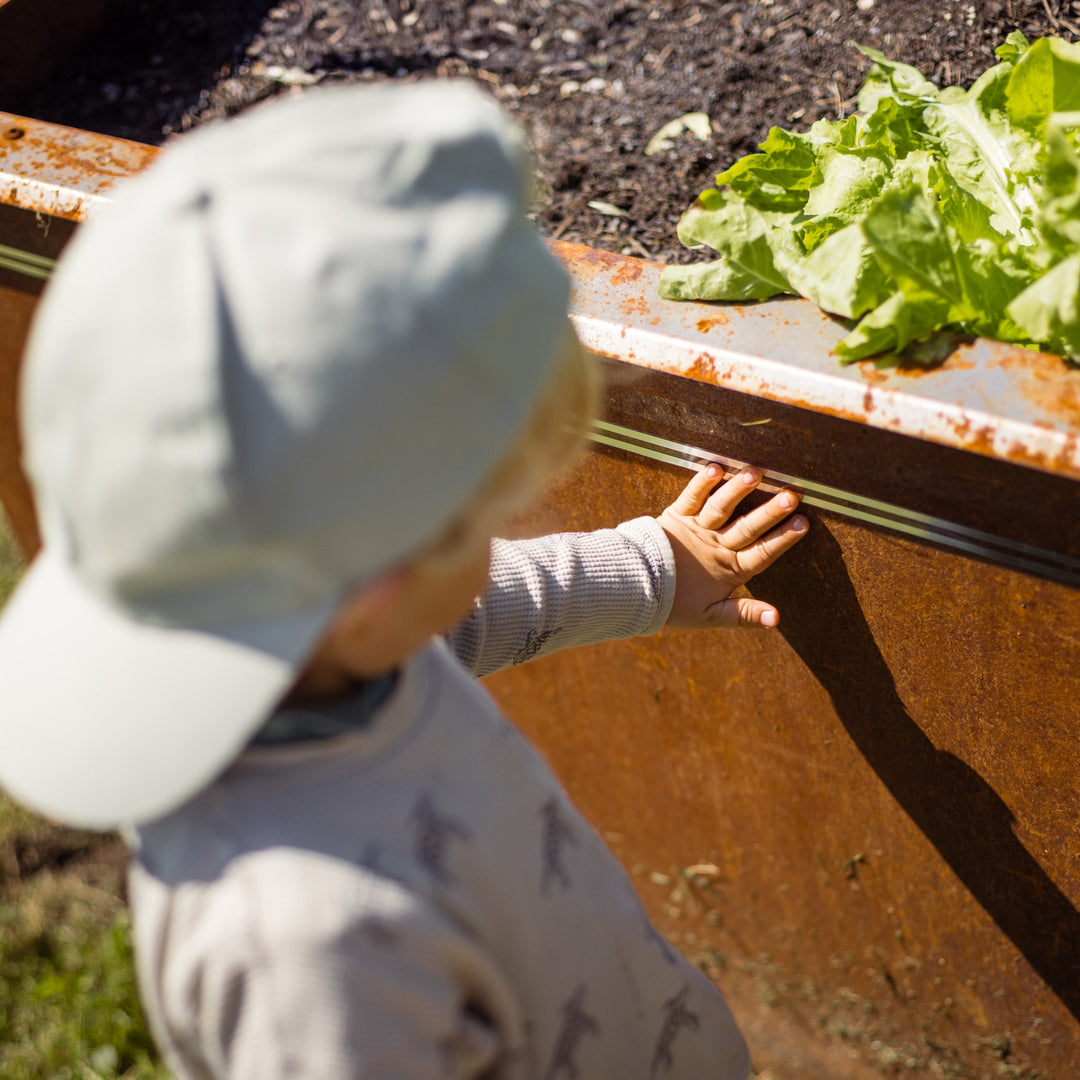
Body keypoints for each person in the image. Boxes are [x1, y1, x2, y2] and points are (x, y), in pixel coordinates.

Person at [0, 81, 807, 1078]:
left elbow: (465, 623)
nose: (488, 548)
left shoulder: (315, 653)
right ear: (382, 584)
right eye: (475, 520)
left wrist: (653, 566)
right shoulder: (309, 955)